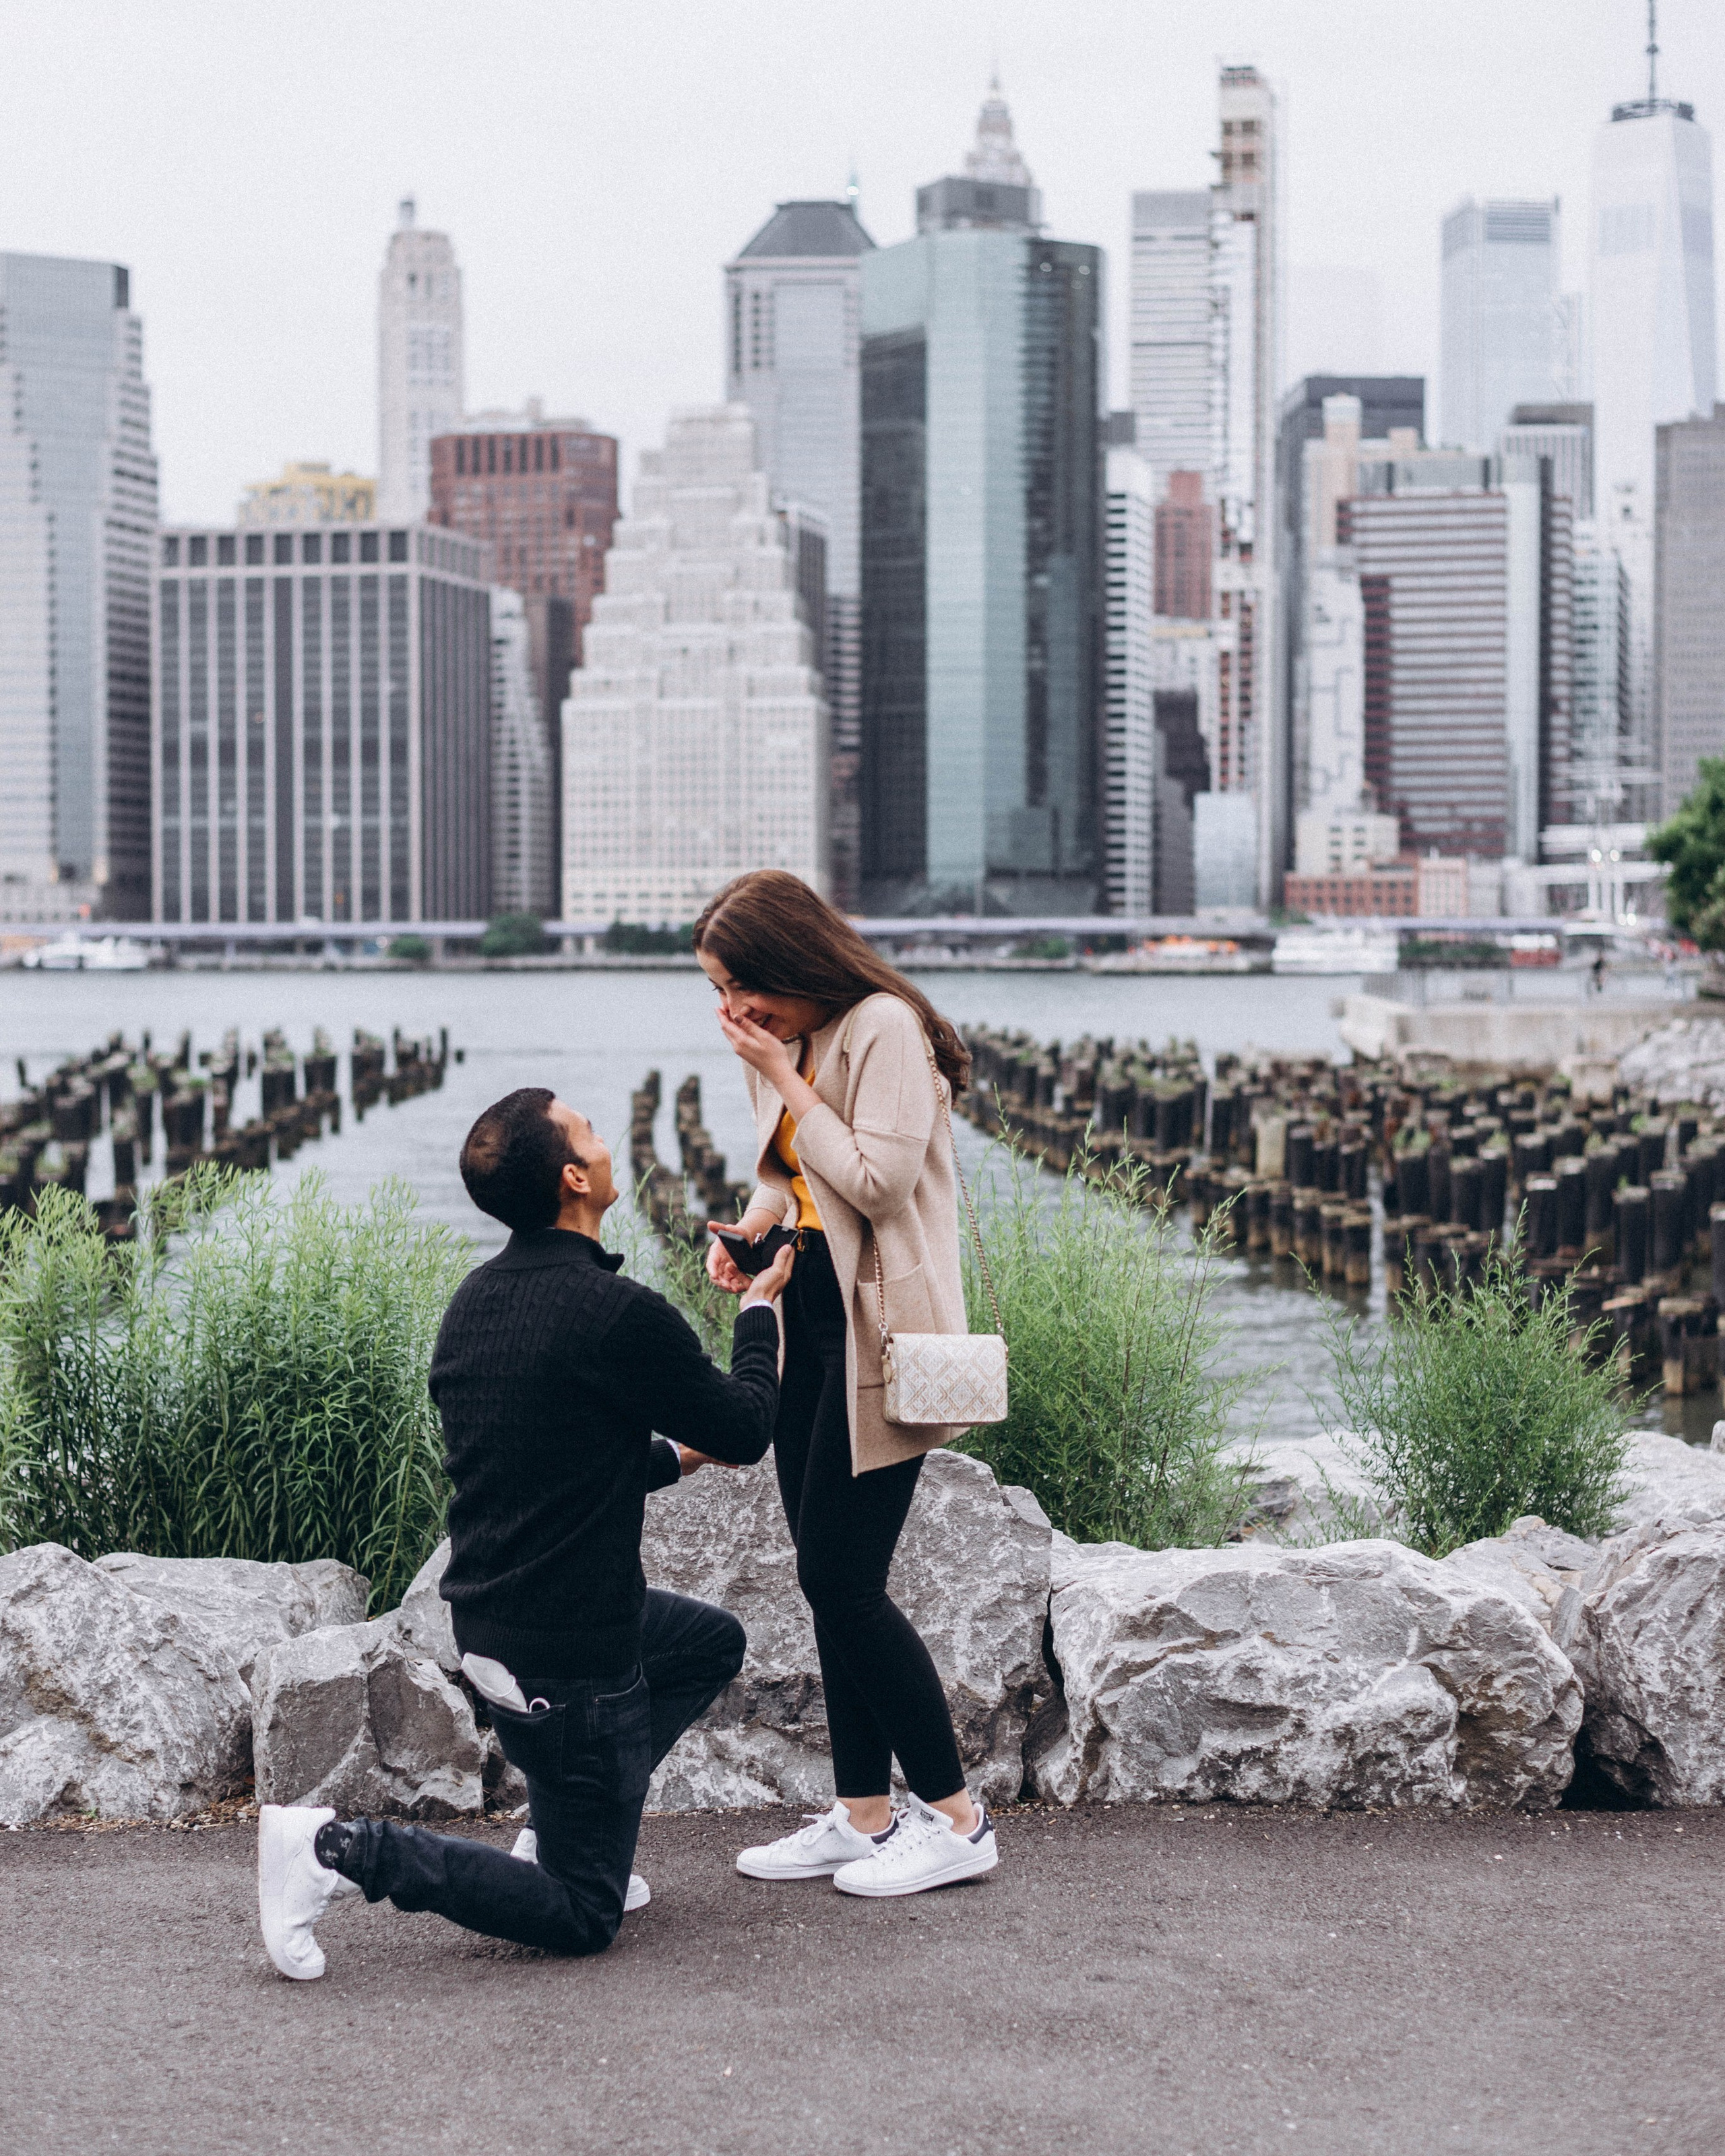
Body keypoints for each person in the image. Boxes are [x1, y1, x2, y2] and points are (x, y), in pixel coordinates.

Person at [256, 1085, 792, 1981]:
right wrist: (760, 1315)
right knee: (582, 1915)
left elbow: (550, 1463)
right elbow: (746, 1426)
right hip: (571, 1659)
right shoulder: (616, 1313)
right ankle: (339, 1851)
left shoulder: (476, 1304)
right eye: (588, 1130)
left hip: (496, 1624)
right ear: (575, 1178)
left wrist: (672, 1459)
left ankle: (562, 1825)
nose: (605, 1138)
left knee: (707, 1643)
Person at [694, 868, 999, 1899]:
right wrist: (752, 1230)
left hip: (884, 1332)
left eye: (741, 987)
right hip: (810, 1316)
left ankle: (957, 1818)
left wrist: (784, 1075)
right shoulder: (792, 1043)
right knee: (826, 1569)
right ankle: (866, 1814)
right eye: (717, 995)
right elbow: (794, 1175)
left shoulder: (883, 1028)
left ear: (789, 962)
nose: (732, 1014)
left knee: (844, 1581)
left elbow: (876, 1179)